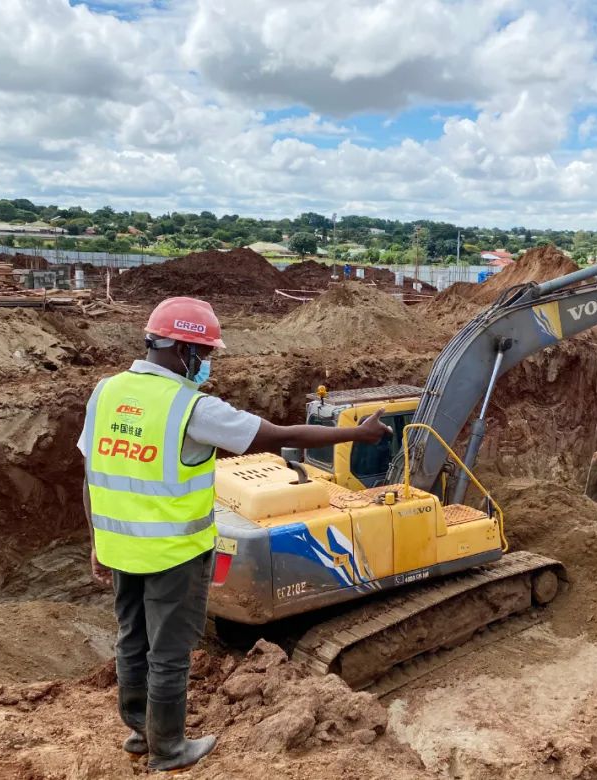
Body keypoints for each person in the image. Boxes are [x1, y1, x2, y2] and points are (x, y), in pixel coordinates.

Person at [78, 297, 389, 772]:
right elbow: (276, 434)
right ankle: (168, 749)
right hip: (175, 554)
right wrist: (356, 437)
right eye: (204, 355)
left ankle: (140, 733)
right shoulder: (190, 407)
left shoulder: (106, 392)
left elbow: (91, 473)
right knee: (170, 653)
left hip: (121, 547)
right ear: (183, 351)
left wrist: (97, 540)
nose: (206, 365)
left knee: (131, 640)